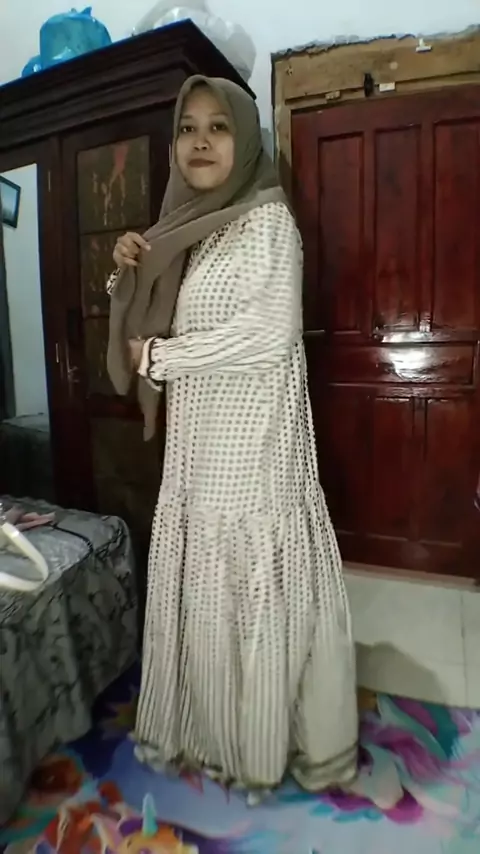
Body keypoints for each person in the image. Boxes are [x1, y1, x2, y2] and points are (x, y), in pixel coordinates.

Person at [106, 75, 358, 802]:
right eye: (188, 128)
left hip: (253, 443)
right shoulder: (190, 227)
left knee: (252, 594)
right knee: (210, 593)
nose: (201, 141)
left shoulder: (267, 222)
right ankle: (210, 730)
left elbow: (268, 333)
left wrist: (164, 358)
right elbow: (144, 317)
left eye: (218, 126)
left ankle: (257, 742)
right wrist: (128, 270)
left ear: (245, 140)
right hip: (199, 440)